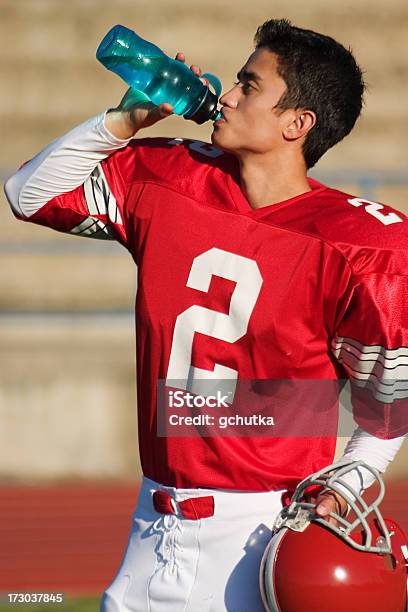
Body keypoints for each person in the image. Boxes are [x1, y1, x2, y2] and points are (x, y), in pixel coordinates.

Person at [4, 18, 407, 612]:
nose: (228, 93)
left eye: (250, 84)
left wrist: (342, 490)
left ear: (297, 124)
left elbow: (387, 412)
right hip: (151, 528)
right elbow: (27, 194)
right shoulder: (172, 177)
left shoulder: (359, 244)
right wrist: (127, 121)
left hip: (265, 537)